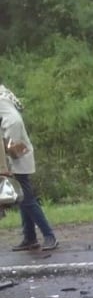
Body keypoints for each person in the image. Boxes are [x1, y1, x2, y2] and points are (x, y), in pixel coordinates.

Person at [0, 84, 59, 251]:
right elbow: (19, 110)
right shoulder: (4, 92)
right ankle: (30, 237)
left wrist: (8, 155)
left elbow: (14, 122)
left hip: (17, 154)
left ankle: (49, 235)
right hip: (20, 152)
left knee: (27, 199)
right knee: (22, 198)